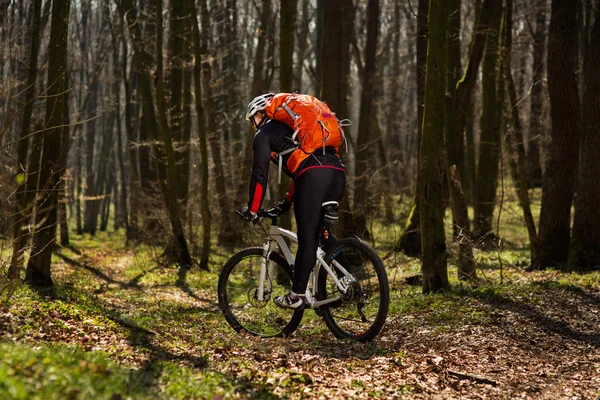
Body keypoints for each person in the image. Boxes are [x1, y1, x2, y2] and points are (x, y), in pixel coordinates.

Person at [238, 93, 346, 309]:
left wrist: (253, 209)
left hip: (314, 174)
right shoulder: (297, 133)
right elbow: (300, 171)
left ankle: (297, 295)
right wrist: (286, 203)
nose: (253, 126)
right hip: (336, 171)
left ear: (260, 114)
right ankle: (347, 284)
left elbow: (260, 174)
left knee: (307, 235)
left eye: (253, 120)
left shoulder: (264, 134)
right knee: (324, 235)